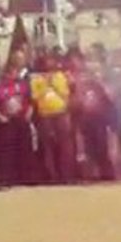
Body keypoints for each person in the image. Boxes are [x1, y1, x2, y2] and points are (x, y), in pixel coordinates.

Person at [30, 52, 75, 184]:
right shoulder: (36, 79)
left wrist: (53, 84)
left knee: (65, 145)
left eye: (51, 61)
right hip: (45, 115)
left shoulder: (60, 76)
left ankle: (67, 176)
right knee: (48, 146)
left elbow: (65, 93)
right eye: (47, 61)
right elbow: (34, 96)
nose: (49, 64)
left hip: (61, 113)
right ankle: (53, 176)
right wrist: (45, 85)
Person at [0, 55, 34, 187]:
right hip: (7, 121)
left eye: (16, 72)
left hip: (21, 119)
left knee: (25, 149)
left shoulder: (22, 85)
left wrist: (29, 113)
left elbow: (30, 101)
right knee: (8, 151)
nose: (14, 74)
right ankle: (8, 178)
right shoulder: (0, 86)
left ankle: (27, 177)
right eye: (12, 72)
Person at [72, 59, 116, 181]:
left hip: (100, 120)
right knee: (89, 149)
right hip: (86, 121)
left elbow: (111, 97)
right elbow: (76, 103)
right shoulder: (81, 87)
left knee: (102, 147)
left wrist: (100, 82)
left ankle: (107, 173)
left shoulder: (100, 85)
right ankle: (92, 174)